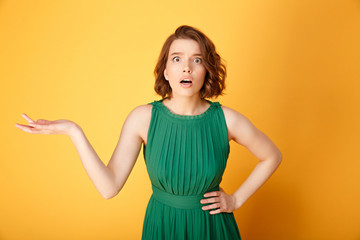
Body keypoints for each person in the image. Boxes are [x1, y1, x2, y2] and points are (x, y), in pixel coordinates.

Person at [15, 25, 282, 239]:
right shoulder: (143, 118)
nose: (186, 67)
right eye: (177, 59)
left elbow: (272, 156)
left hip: (212, 229)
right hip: (162, 226)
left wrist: (235, 199)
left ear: (206, 70)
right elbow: (109, 188)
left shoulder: (226, 120)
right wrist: (74, 132)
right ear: (166, 71)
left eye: (196, 60)